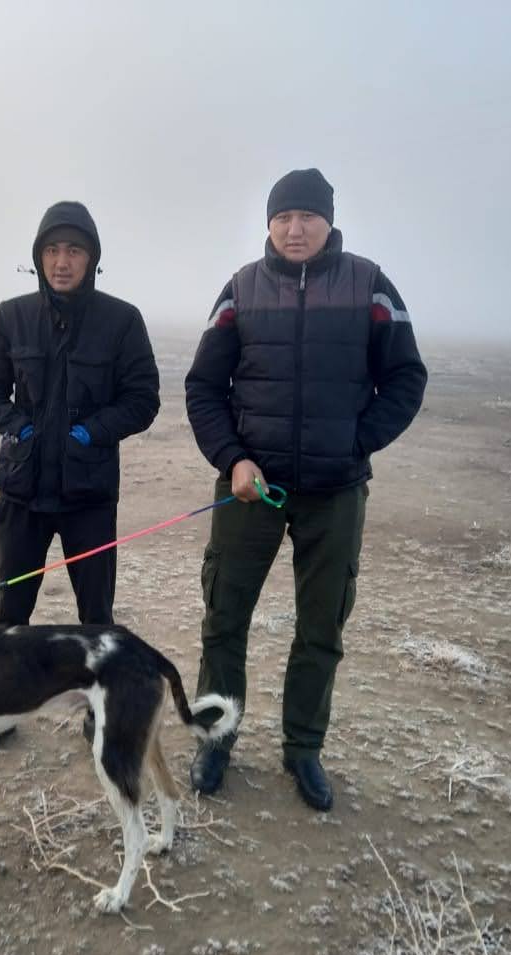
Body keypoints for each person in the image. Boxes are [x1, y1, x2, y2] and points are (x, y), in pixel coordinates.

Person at [183, 168, 427, 810]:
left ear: (329, 222)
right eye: (283, 217)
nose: (295, 229)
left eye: (308, 216)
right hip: (251, 490)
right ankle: (216, 738)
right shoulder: (240, 290)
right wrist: (233, 459)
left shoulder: (369, 285)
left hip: (335, 491)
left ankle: (303, 749)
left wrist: (355, 442)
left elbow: (406, 378)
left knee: (321, 626)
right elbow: (203, 387)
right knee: (224, 618)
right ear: (268, 223)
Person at [0, 201, 161, 757]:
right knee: (11, 615)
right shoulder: (12, 316)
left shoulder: (122, 321)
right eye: (51, 250)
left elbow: (142, 399)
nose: (62, 261)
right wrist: (17, 426)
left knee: (96, 617)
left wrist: (92, 433)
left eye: (74, 250)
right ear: (38, 257)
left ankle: (102, 713)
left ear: (92, 258)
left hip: (88, 499)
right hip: (22, 493)